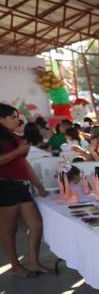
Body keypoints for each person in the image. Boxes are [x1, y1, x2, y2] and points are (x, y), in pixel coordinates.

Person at [0, 103, 51, 277]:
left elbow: (23, 163)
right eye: (13, 117)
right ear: (1, 119)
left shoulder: (14, 137)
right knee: (9, 229)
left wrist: (38, 184)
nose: (17, 120)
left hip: (22, 186)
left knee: (36, 225)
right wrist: (18, 151)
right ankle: (15, 266)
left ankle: (34, 263)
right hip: (5, 187)